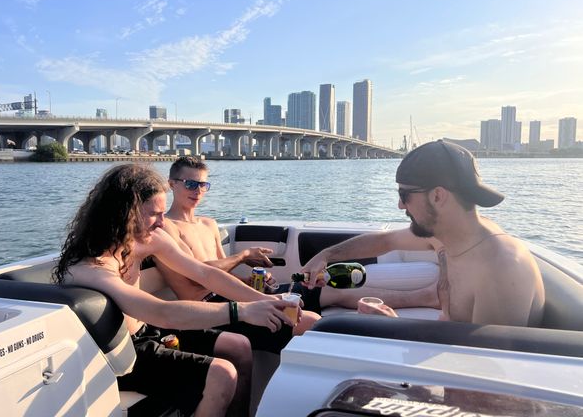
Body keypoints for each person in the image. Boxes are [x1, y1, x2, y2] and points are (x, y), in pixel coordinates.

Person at [52, 164, 295, 417]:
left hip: (149, 331)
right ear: (126, 213)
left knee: (238, 346)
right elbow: (161, 311)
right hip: (123, 355)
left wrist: (268, 300)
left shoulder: (144, 239)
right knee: (223, 374)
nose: (161, 222)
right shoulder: (89, 268)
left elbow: (205, 273)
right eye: (154, 214)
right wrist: (241, 311)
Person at [302, 140, 545, 327]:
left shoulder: (499, 267)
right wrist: (326, 254)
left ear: (438, 196)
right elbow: (385, 240)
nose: (400, 205)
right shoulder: (447, 236)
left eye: (404, 195)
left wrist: (395, 327)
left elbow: (484, 371)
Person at [155, 156, 320, 354]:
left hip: (232, 294)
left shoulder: (208, 224)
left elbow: (222, 274)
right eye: (190, 184)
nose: (197, 191)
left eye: (203, 185)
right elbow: (198, 276)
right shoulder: (166, 226)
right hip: (207, 308)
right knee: (309, 321)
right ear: (171, 184)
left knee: (319, 290)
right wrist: (243, 256)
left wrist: (246, 281)